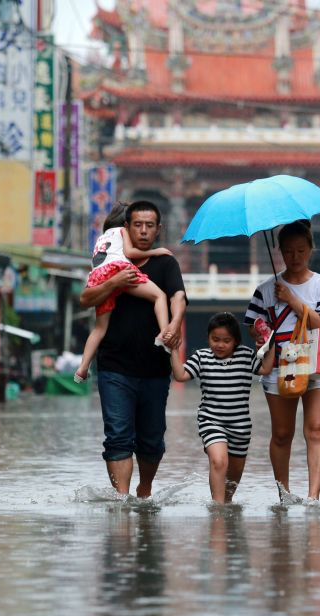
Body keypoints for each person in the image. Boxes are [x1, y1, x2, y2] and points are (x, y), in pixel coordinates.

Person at [79, 200, 188, 497]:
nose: (142, 231)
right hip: (114, 367)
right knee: (117, 436)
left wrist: (175, 322)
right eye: (137, 225)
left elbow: (178, 296)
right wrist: (113, 282)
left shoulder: (165, 263)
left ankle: (145, 489)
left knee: (152, 440)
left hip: (154, 368)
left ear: (158, 229)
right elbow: (86, 299)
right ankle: (122, 500)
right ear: (125, 229)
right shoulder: (107, 265)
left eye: (149, 226)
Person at [244, 220, 320, 501]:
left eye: (300, 250)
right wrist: (261, 331)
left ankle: (313, 497)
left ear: (310, 249)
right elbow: (253, 325)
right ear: (280, 252)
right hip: (280, 366)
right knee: (282, 433)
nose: (295, 257)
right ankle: (284, 495)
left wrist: (293, 300)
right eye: (288, 251)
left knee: (316, 429)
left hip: (317, 364)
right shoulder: (265, 289)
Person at [169, 312, 275, 504]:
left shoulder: (245, 355)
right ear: (208, 337)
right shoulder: (202, 357)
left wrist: (272, 344)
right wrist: (174, 350)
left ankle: (226, 504)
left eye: (226, 341)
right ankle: (217, 510)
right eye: (215, 339)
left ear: (235, 341)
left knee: (233, 476)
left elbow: (265, 369)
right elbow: (181, 375)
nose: (220, 345)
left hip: (240, 427)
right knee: (219, 461)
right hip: (211, 421)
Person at [74, 202, 173, 382]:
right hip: (118, 270)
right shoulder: (123, 230)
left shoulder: (102, 237)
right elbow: (130, 252)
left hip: (97, 277)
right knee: (159, 296)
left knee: (99, 328)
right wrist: (155, 252)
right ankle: (163, 333)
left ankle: (82, 367)